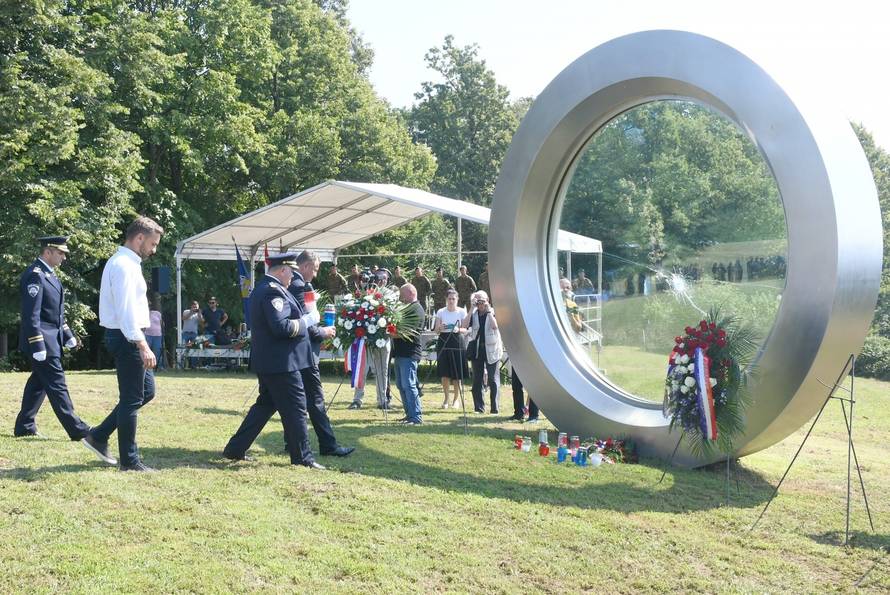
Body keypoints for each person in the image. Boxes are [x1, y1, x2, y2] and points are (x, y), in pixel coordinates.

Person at [223, 254, 325, 469]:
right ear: (282, 270)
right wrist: (308, 320)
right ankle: (302, 457)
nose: (293, 276)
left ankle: (235, 448)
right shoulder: (272, 291)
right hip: (281, 363)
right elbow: (281, 328)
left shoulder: (270, 288)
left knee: (264, 406)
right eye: (291, 272)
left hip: (274, 362)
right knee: (296, 408)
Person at [14, 236, 108, 462]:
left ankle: (24, 426)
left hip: (51, 340)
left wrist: (68, 335)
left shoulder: (48, 274)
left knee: (39, 383)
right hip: (42, 342)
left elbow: (55, 313)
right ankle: (78, 430)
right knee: (57, 385)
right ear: (48, 252)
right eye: (61, 253)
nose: (64, 257)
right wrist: (37, 343)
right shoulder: (35, 275)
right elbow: (31, 315)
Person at [85, 216, 163, 472]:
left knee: (145, 392)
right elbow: (127, 310)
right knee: (131, 399)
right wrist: (142, 345)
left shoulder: (127, 263)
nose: (154, 250)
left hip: (127, 335)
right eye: (152, 244)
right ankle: (130, 462)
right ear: (139, 238)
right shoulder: (124, 266)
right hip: (127, 336)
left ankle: (98, 435)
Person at [288, 250, 354, 457]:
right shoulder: (300, 286)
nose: (315, 275)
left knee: (290, 401)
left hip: (295, 354)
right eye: (315, 269)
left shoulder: (291, 283)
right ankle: (328, 445)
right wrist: (323, 332)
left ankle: (291, 442)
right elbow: (305, 323)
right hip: (305, 352)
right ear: (305, 266)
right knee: (315, 400)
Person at [464, 290, 503, 414]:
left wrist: (488, 311)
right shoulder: (474, 313)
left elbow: (495, 326)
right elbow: (464, 325)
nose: (480, 303)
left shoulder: (493, 312)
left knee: (493, 378)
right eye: (478, 301)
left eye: (482, 300)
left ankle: (494, 408)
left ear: (487, 301)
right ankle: (479, 408)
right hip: (477, 350)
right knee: (477, 379)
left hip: (492, 349)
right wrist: (471, 308)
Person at [393, 283, 424, 424]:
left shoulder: (416, 309)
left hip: (410, 353)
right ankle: (409, 414)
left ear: (411, 293)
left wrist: (389, 334)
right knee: (401, 385)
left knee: (409, 385)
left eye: (402, 294)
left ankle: (416, 416)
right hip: (401, 353)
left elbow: (407, 332)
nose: (400, 297)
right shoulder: (407, 308)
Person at [434, 289, 468, 408]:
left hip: (457, 340)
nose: (451, 301)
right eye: (449, 299)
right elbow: (436, 330)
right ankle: (446, 399)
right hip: (443, 340)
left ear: (457, 299)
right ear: (446, 299)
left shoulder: (462, 312)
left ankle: (456, 400)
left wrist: (458, 329)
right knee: (445, 373)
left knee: (457, 373)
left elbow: (466, 329)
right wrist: (440, 327)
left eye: (454, 299)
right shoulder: (440, 312)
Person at [146, 293, 164, 370]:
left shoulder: (157, 313)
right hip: (147, 335)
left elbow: (162, 323)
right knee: (147, 351)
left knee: (157, 351)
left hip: (158, 335)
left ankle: (158, 366)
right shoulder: (143, 314)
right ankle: (147, 366)